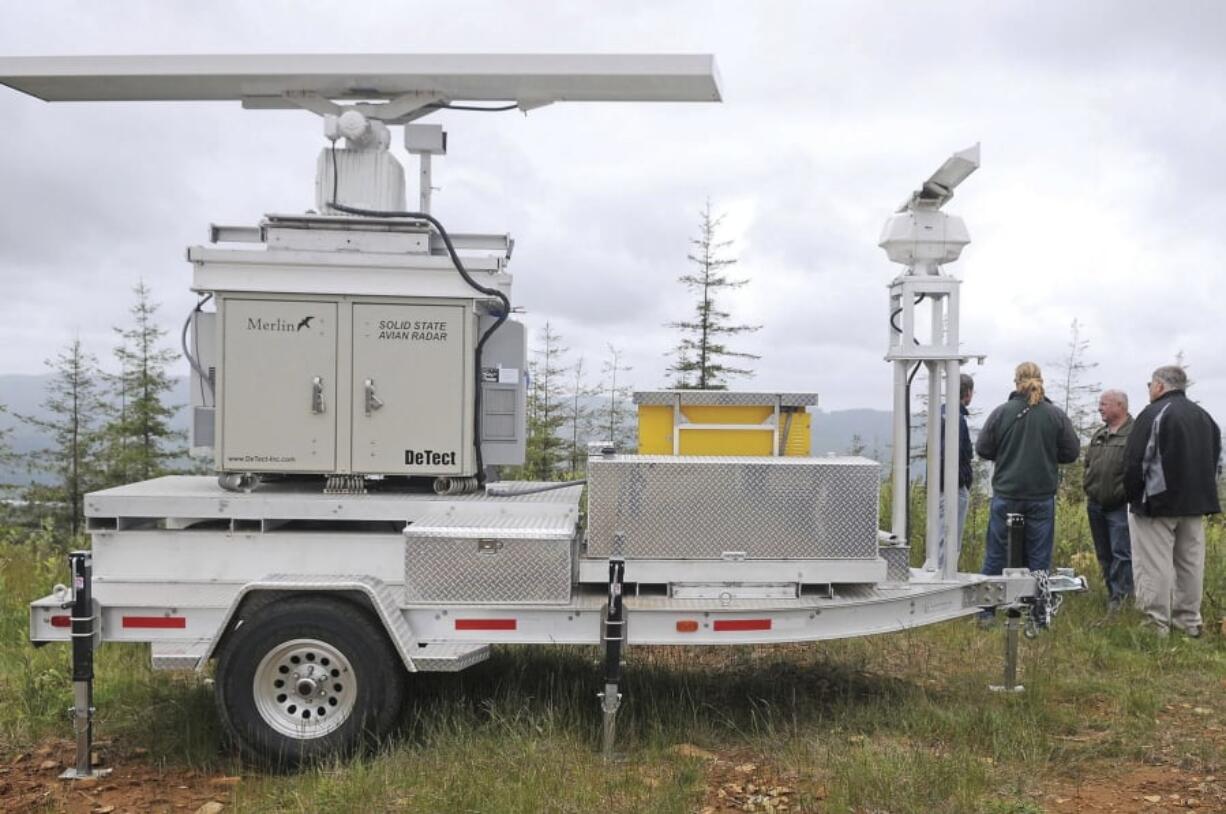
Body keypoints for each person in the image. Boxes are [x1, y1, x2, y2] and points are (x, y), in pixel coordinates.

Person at [974, 362, 1079, 622]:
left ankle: (986, 613)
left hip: (1006, 493)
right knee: (1038, 558)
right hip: (1041, 496)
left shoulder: (1002, 413)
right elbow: (1072, 452)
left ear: (1015, 382)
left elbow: (984, 449)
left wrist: (1007, 454)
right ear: (1041, 380)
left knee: (996, 554)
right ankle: (1038, 615)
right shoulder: (1055, 415)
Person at [1123, 365, 1221, 638]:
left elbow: (1134, 460)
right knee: (1190, 566)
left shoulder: (1153, 413)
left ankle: (1155, 627)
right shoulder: (1204, 417)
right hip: (1196, 503)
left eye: (1149, 385)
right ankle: (1189, 624)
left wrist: (1133, 496)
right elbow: (1215, 460)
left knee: (1154, 566)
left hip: (1157, 503)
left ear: (1158, 386)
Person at [1083, 389, 1134, 613]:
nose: (1099, 408)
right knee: (1104, 553)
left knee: (1122, 553)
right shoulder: (1099, 434)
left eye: (1104, 404)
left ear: (1119, 406)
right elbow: (1088, 464)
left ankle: (1122, 600)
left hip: (1120, 506)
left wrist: (1124, 493)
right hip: (1095, 504)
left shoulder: (1134, 434)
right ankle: (1111, 593)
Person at [927, 373, 974, 572]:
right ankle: (942, 576)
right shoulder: (956, 419)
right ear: (968, 393)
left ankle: (938, 571)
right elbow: (954, 454)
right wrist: (959, 480)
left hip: (939, 485)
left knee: (940, 538)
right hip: (952, 487)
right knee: (948, 540)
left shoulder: (941, 415)